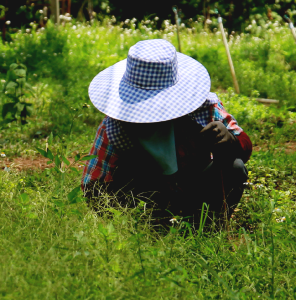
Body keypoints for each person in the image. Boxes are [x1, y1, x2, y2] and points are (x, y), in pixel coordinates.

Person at [81, 39, 252, 224]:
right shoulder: (117, 126)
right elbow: (93, 186)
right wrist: (124, 221)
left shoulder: (201, 109)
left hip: (197, 194)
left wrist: (230, 141)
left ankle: (207, 226)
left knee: (234, 168)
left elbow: (243, 143)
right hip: (145, 207)